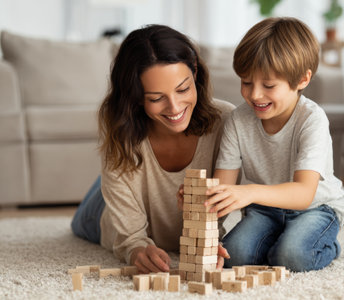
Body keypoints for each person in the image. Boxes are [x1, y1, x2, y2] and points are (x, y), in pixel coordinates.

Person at [71, 24, 234, 273]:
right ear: (136, 96)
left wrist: (213, 242)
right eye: (156, 98)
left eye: (183, 89)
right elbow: (130, 239)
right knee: (83, 221)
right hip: (102, 212)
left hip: (139, 186)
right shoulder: (122, 138)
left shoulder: (227, 121)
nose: (174, 107)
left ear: (196, 73)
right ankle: (103, 186)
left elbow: (229, 206)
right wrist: (135, 249)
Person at [203, 17, 344, 272]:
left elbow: (304, 194)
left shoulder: (312, 119)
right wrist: (210, 235)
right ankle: (279, 240)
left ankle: (328, 244)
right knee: (233, 256)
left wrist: (249, 193)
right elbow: (223, 189)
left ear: (302, 80)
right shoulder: (237, 120)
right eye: (246, 82)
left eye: (269, 85)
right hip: (265, 210)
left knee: (293, 256)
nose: (254, 95)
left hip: (315, 208)